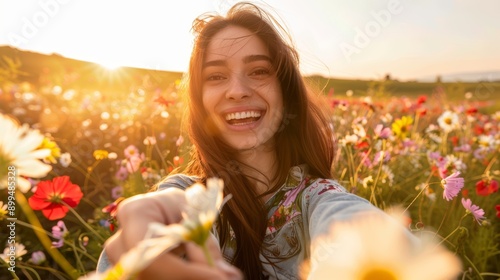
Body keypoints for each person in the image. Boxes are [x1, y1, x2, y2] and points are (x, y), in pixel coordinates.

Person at [97, 2, 413, 279]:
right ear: (199, 100)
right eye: (216, 76)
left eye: (259, 70)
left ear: (286, 92)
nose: (237, 90)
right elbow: (171, 207)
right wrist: (151, 230)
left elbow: (364, 235)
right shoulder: (186, 195)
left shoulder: (320, 200)